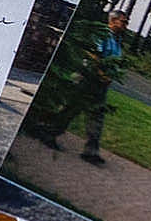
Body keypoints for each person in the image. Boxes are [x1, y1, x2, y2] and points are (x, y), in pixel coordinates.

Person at [36, 10, 128, 164]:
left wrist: (110, 76)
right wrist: (100, 72)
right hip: (88, 79)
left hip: (101, 84)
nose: (126, 25)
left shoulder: (117, 40)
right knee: (71, 108)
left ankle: (90, 151)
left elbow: (114, 62)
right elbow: (93, 54)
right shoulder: (103, 35)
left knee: (97, 114)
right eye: (123, 21)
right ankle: (48, 133)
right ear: (112, 21)